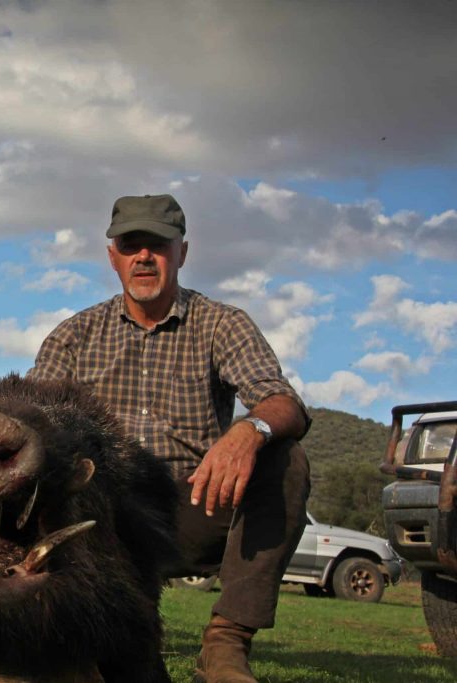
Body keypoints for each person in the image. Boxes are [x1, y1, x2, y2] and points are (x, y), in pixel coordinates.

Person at [28, 194, 310, 683]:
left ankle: (225, 645)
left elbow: (283, 401)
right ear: (112, 255)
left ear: (182, 252)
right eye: (130, 244)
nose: (143, 256)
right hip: (101, 518)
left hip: (192, 504)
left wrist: (250, 429)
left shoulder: (222, 323)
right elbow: (32, 421)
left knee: (287, 459)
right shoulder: (72, 336)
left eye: (157, 245)